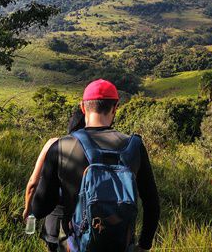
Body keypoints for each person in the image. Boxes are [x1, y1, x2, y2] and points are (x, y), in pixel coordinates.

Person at [31, 79, 160, 252]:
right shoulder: (134, 146)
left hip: (74, 244)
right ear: (115, 108)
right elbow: (152, 203)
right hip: (120, 245)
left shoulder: (61, 147)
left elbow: (41, 207)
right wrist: (144, 245)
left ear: (83, 107)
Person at [23, 108, 86, 252]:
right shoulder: (98, 147)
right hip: (88, 220)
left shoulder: (55, 143)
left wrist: (28, 209)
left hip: (56, 219)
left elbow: (33, 182)